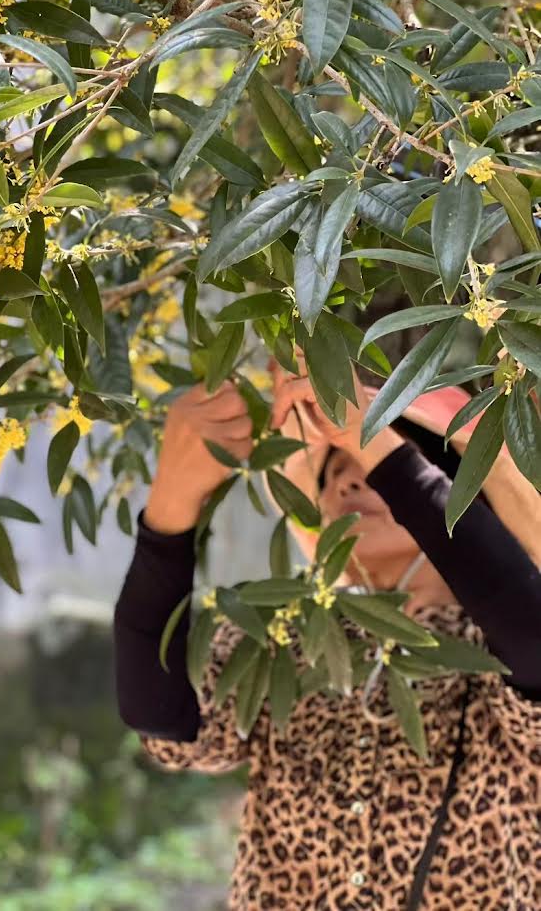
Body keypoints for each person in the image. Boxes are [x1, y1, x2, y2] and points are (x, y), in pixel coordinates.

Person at [112, 357, 541, 910]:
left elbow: (529, 637)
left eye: (375, 458)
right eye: (332, 469)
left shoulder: (489, 650)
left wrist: (378, 446)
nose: (346, 479)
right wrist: (171, 507)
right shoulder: (293, 640)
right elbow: (165, 723)